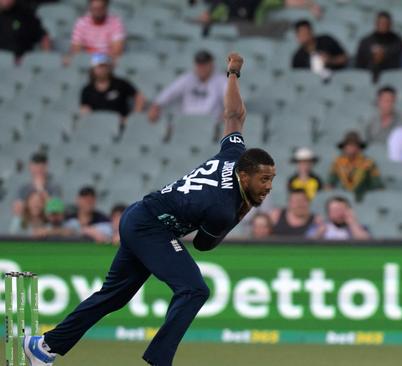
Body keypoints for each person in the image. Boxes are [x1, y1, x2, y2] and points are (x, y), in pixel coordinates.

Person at [24, 53, 277, 366]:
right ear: (246, 174)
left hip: (139, 215)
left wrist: (233, 74)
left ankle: (44, 346)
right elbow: (203, 245)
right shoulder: (223, 207)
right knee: (194, 289)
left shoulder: (235, 154)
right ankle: (159, 361)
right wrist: (245, 210)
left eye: (271, 180)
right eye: (264, 180)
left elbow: (234, 115)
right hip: (151, 227)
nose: (268, 187)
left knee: (113, 296)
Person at [149, 50, 228, 125]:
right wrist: (156, 106)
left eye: (204, 64)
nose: (201, 68)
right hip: (187, 123)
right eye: (199, 64)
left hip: (211, 124)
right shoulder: (187, 78)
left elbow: (231, 101)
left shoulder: (221, 80)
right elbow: (169, 93)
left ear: (211, 65)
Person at [80, 53, 145, 123]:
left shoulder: (120, 84)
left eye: (104, 66)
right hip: (98, 124)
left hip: (119, 123)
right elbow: (85, 109)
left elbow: (139, 97)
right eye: (98, 67)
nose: (101, 70)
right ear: (93, 69)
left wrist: (133, 117)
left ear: (109, 68)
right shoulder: (87, 90)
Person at [328, 131, 383, 200]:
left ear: (359, 148)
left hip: (364, 199)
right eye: (348, 145)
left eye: (354, 145)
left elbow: (377, 185)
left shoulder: (368, 163)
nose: (351, 148)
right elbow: (330, 182)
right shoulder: (337, 162)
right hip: (344, 200)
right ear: (344, 148)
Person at [355, 11, 402, 81]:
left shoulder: (397, 41)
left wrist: (384, 56)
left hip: (391, 76)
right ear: (376, 24)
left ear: (390, 24)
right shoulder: (366, 41)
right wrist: (374, 60)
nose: (383, 25)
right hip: (368, 76)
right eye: (381, 23)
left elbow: (401, 61)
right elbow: (359, 63)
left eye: (386, 23)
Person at [13, 152, 62, 217]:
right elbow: (17, 210)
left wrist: (40, 189)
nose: (38, 170)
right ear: (30, 167)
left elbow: (55, 209)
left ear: (46, 167)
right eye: (35, 167)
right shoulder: (23, 188)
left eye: (41, 168)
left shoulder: (54, 187)